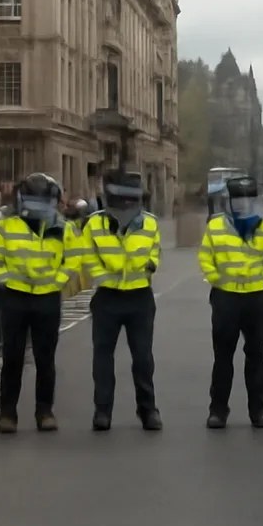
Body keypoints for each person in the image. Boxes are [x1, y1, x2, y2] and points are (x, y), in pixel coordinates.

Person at [0, 173, 79, 434]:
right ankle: (7, 414)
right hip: (15, 297)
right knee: (12, 358)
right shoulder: (7, 226)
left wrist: (58, 281)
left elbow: (72, 260)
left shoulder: (63, 227)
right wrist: (6, 282)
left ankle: (45, 411)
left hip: (47, 297)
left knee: (45, 358)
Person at [80, 169, 163, 432]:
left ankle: (148, 410)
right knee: (103, 357)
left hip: (139, 295)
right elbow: (87, 255)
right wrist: (103, 276)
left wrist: (150, 265)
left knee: (142, 358)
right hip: (108, 296)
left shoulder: (149, 222)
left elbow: (155, 251)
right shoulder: (95, 223)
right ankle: (102, 411)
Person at [199, 175, 263, 429]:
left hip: (256, 298)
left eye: (248, 199)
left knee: (256, 355)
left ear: (256, 200)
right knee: (223, 356)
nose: (243, 204)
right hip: (225, 297)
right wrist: (217, 279)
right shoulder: (215, 227)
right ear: (230, 201)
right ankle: (218, 411)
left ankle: (259, 410)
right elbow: (206, 257)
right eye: (238, 199)